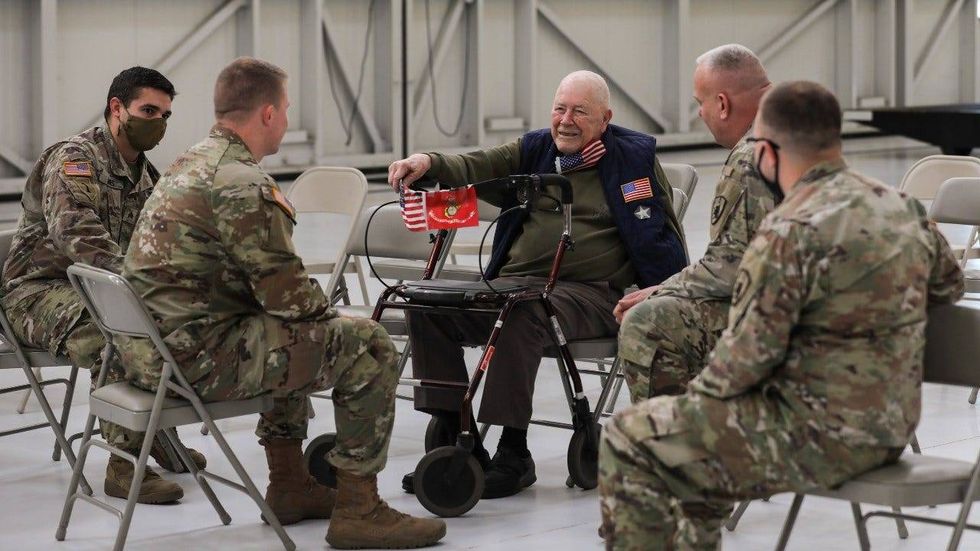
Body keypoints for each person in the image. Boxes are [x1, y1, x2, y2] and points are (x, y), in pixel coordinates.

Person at [598, 81, 965, 549]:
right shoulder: (904, 209)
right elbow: (949, 286)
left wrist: (683, 408)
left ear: (767, 153)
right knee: (690, 447)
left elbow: (741, 366)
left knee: (632, 436)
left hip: (812, 440)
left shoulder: (787, 233)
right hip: (889, 430)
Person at [116, 57, 445, 549]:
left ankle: (290, 485)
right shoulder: (242, 183)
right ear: (267, 114)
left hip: (148, 354)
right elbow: (288, 296)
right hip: (194, 362)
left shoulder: (191, 162)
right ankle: (359, 509)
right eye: (286, 111)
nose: (287, 122)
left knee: (283, 331)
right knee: (368, 344)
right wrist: (338, 318)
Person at [388, 70, 687, 499]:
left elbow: (661, 235)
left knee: (523, 310)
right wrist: (429, 162)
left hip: (591, 294)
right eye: (559, 108)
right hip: (514, 284)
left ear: (605, 118)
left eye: (580, 111)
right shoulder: (536, 149)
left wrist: (667, 291)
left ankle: (514, 452)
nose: (566, 120)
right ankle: (460, 441)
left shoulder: (630, 160)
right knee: (426, 302)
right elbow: (478, 164)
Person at [0, 66, 204, 504]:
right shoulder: (74, 159)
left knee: (169, 321)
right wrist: (141, 289)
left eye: (166, 115)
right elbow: (78, 235)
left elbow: (160, 244)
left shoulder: (146, 177)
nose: (159, 123)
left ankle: (157, 433)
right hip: (34, 294)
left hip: (100, 288)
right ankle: (123, 463)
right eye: (149, 110)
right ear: (117, 108)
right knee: (118, 328)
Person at [616, 44, 776, 403]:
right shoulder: (804, 127)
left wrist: (662, 289)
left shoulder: (751, 155)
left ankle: (674, 448)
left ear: (722, 104)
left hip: (783, 316)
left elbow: (729, 269)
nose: (700, 114)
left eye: (699, 103)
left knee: (646, 323)